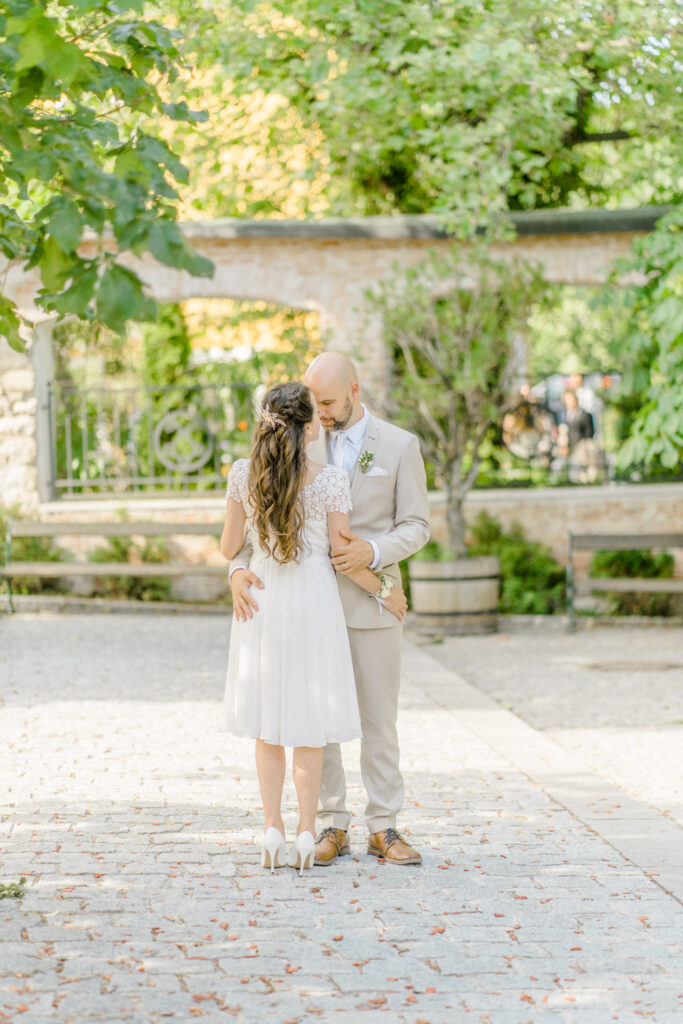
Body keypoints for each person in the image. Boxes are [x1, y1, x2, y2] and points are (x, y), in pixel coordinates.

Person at [230, 354, 430, 866]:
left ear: (355, 391)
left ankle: (383, 825)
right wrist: (235, 572)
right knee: (314, 721)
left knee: (378, 720)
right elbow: (251, 538)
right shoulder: (300, 444)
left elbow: (417, 525)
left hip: (366, 599)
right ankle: (330, 824)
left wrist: (376, 557)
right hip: (310, 606)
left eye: (328, 403)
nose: (319, 414)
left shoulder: (400, 446)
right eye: (313, 405)